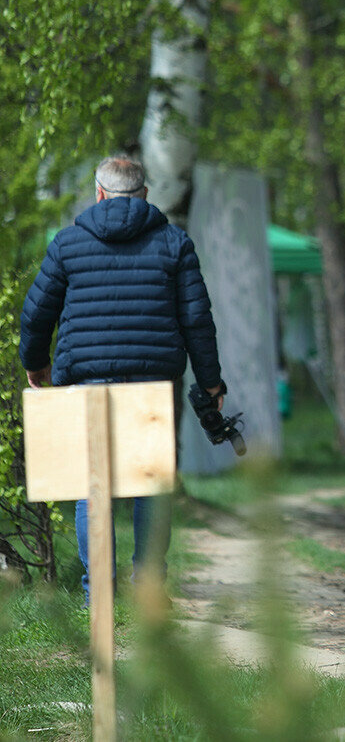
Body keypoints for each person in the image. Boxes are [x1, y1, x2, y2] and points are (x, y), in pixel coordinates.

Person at [19, 154, 227, 604]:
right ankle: (149, 586)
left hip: (86, 382)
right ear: (145, 195)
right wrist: (211, 384)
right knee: (150, 484)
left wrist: (36, 365)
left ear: (98, 193)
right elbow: (196, 320)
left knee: (92, 487)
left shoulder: (68, 243)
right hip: (153, 384)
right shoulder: (174, 242)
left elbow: (37, 314)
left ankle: (99, 594)